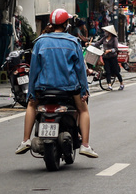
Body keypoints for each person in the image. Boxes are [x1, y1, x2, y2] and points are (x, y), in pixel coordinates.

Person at [16, 9, 97, 158]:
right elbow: (80, 70)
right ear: (66, 24)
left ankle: (25, 140)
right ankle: (85, 145)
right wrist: (84, 90)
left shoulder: (40, 42)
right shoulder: (73, 42)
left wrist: (31, 91)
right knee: (83, 109)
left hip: (43, 87)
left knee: (32, 105)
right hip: (69, 88)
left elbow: (34, 69)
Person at [100, 24, 124, 90]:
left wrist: (109, 50)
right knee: (108, 71)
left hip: (112, 57)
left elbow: (116, 48)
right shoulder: (104, 38)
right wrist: (90, 44)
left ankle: (121, 83)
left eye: (106, 31)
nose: (105, 32)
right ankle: (109, 85)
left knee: (116, 71)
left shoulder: (114, 39)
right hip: (105, 57)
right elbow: (98, 43)